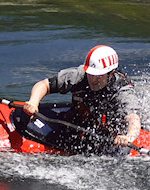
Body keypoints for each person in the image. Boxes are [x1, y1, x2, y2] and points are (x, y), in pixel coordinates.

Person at [11, 45, 142, 155]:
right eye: (91, 74)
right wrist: (33, 102)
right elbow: (44, 85)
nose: (93, 79)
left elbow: (133, 118)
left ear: (111, 73)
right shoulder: (79, 75)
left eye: (98, 76)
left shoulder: (122, 91)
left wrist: (128, 137)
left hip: (107, 134)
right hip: (79, 121)